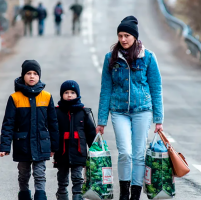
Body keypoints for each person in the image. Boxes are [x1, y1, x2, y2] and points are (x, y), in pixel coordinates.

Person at [96, 16, 164, 200]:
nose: (123, 39)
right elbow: (106, 89)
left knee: (139, 155)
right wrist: (101, 120)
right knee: (125, 152)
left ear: (135, 36)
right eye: (120, 35)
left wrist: (159, 119)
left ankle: (135, 195)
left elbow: (156, 87)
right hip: (119, 111)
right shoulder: (110, 58)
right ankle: (124, 194)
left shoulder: (147, 57)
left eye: (127, 35)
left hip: (143, 110)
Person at [0, 60, 59, 200]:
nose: (32, 76)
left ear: (39, 76)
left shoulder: (46, 97)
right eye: (28, 73)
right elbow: (8, 123)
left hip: (41, 143)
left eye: (35, 74)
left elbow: (53, 124)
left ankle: (40, 196)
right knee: (23, 173)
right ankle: (24, 194)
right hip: (22, 145)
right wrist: (5, 146)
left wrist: (54, 146)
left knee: (40, 174)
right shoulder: (15, 98)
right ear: (23, 76)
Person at [53, 80, 96, 200]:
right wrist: (52, 148)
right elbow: (52, 132)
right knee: (62, 178)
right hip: (61, 153)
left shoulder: (84, 112)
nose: (69, 95)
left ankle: (78, 196)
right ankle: (62, 195)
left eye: (72, 92)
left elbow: (91, 133)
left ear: (77, 95)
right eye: (66, 92)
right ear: (62, 95)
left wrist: (94, 151)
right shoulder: (56, 112)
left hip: (79, 153)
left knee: (78, 178)